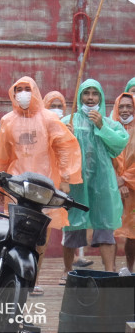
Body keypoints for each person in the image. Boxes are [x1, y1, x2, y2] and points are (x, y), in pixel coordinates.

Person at [0, 77, 82, 294]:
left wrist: (66, 179)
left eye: (27, 89)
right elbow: (2, 156)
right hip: (16, 185)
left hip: (44, 185)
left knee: (40, 236)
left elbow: (65, 147)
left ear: (35, 91)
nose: (23, 93)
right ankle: (13, 278)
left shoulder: (49, 119)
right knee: (15, 233)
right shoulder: (8, 120)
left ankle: (33, 280)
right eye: (19, 89)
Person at [61, 79, 127, 276]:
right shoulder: (68, 122)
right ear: (80, 96)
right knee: (73, 227)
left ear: (101, 97)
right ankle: (67, 271)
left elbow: (118, 146)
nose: (90, 98)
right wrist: (65, 136)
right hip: (77, 185)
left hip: (103, 185)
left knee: (105, 226)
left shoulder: (110, 124)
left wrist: (101, 127)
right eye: (86, 93)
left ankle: (109, 271)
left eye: (95, 93)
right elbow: (56, 147)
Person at [43, 91, 94, 269]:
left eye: (59, 106)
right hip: (47, 179)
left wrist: (70, 136)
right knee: (45, 224)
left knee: (72, 221)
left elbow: (74, 152)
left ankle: (71, 263)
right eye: (52, 106)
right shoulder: (41, 124)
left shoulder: (69, 124)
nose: (56, 110)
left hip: (67, 183)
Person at [112, 92, 135, 272]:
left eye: (129, 106)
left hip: (132, 188)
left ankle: (130, 268)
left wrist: (125, 179)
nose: (125, 110)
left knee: (132, 233)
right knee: (109, 230)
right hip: (111, 187)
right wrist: (117, 182)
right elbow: (106, 158)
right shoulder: (110, 129)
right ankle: (111, 270)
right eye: (121, 106)